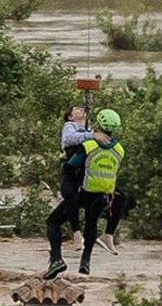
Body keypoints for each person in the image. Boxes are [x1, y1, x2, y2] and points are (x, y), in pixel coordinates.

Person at [43, 107, 125, 276]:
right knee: (92, 222)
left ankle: (57, 259)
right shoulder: (119, 149)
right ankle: (85, 262)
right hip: (102, 194)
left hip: (83, 191)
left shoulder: (89, 145)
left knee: (53, 222)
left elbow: (71, 166)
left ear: (99, 124)